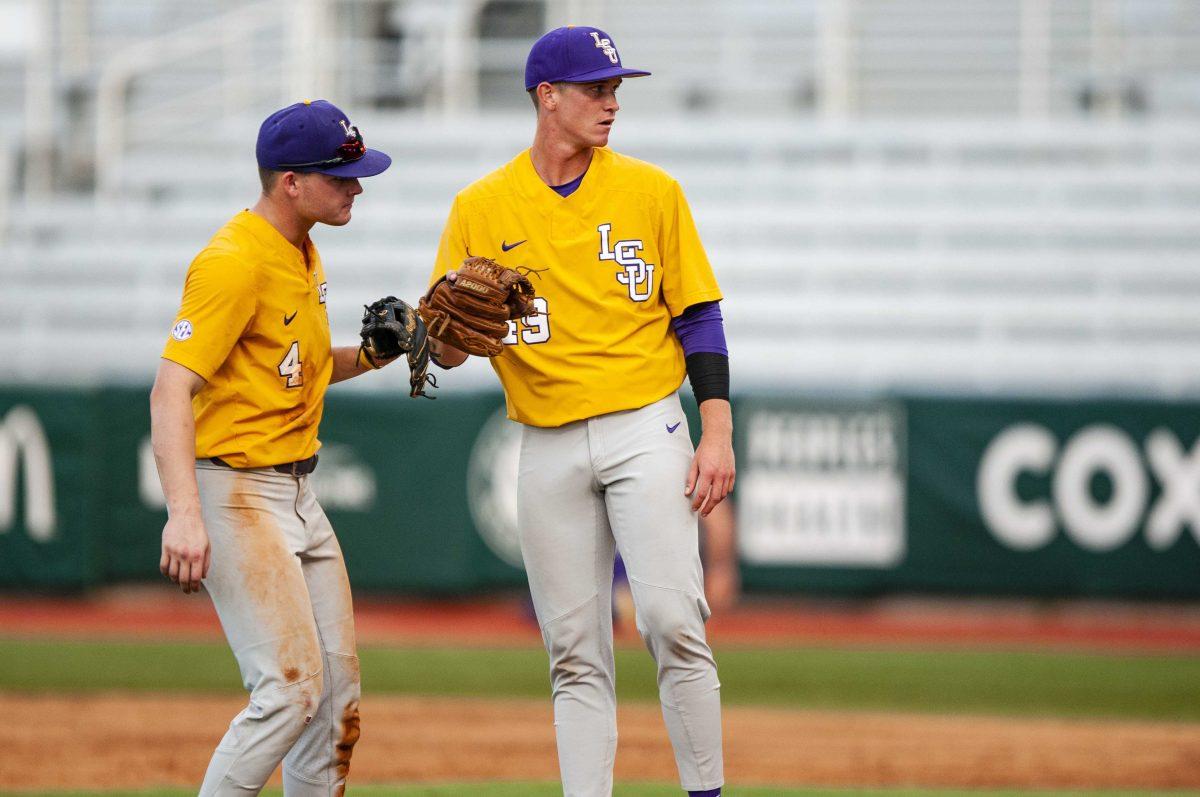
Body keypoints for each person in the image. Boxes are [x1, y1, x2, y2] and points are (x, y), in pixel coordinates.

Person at [427, 26, 734, 797]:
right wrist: (447, 334)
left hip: (645, 423)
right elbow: (450, 349)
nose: (611, 100)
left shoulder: (651, 191)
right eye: (596, 88)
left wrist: (718, 430)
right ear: (547, 97)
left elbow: (699, 316)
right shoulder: (480, 206)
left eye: (615, 87)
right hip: (545, 438)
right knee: (573, 652)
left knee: (672, 622)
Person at [149, 99, 395, 796]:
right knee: (288, 692)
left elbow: (302, 366)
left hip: (298, 493)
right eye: (340, 175)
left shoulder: (302, 250)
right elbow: (169, 391)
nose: (355, 186)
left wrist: (377, 353)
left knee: (336, 695)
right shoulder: (233, 261)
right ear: (291, 182)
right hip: (236, 491)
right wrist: (184, 512)